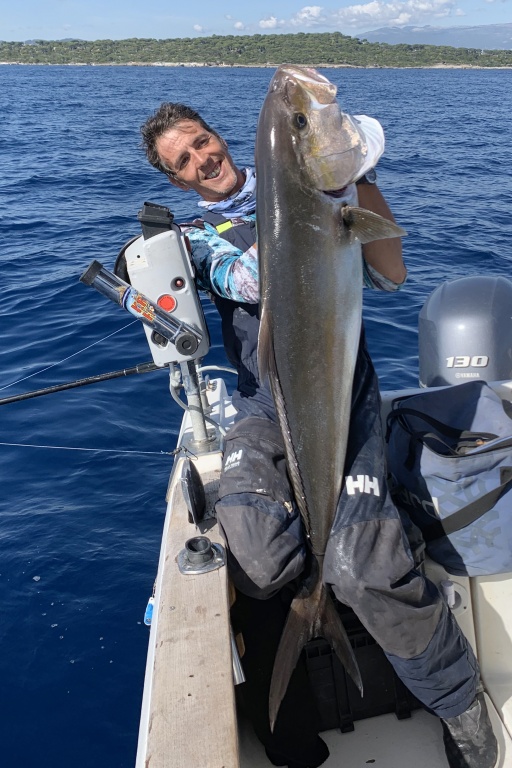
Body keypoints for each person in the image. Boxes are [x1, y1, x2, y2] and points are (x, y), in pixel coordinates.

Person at [140, 100, 498, 768]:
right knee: (257, 559)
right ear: (177, 182)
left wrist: (351, 177)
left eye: (201, 142)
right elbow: (251, 278)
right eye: (182, 161)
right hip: (261, 407)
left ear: (220, 137)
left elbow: (391, 277)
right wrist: (310, 196)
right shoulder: (199, 239)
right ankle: (288, 727)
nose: (201, 159)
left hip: (343, 397)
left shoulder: (325, 196)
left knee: (365, 570)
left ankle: (460, 705)